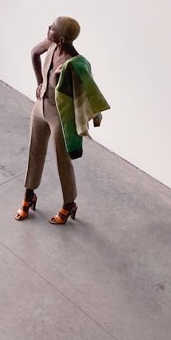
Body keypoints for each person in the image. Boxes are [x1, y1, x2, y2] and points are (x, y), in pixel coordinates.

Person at [15, 16, 110, 225]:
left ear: (61, 39)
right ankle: (29, 196)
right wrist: (39, 83)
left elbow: (90, 90)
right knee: (34, 151)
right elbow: (34, 53)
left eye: (52, 28)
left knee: (62, 160)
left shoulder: (76, 62)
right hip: (40, 107)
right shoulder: (50, 45)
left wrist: (95, 115)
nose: (48, 28)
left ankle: (69, 204)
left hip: (59, 116)